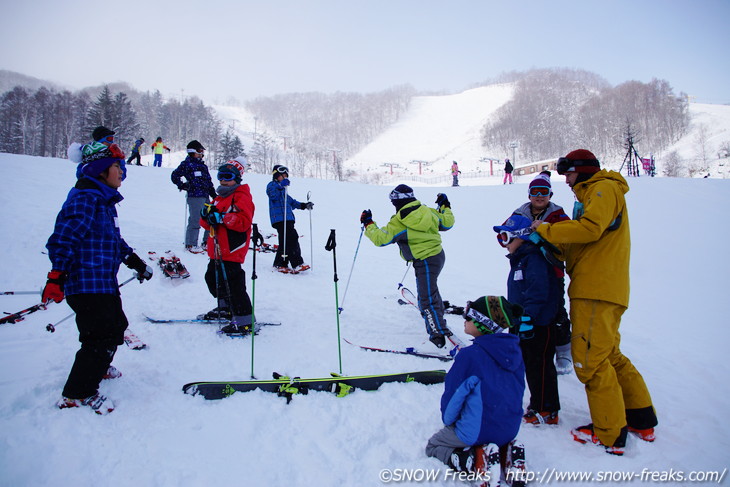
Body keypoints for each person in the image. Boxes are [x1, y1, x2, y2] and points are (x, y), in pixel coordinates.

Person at [532, 149, 658, 455]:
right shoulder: (596, 193)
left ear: (582, 170)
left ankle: (610, 434)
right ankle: (640, 419)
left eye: (569, 174)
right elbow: (588, 241)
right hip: (603, 288)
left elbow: (590, 229)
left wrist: (546, 228)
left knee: (589, 362)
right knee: (610, 355)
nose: (566, 180)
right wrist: (556, 248)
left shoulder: (602, 188)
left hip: (596, 290)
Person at [44, 142, 153, 415]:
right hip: (86, 283)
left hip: (103, 282)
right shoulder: (85, 199)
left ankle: (99, 369)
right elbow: (63, 239)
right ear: (100, 170)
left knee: (116, 327)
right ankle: (77, 393)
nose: (122, 172)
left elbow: (113, 240)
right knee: (99, 337)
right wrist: (56, 276)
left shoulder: (103, 201)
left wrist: (135, 261)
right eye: (117, 166)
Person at [425, 296, 526, 483]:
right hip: (510, 429)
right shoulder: (515, 353)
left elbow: (452, 401)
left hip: (478, 431)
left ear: (483, 324)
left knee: (433, 446)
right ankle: (508, 454)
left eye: (469, 317)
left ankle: (472, 461)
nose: (464, 319)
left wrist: (450, 422)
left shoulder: (470, 357)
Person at [360, 185, 455, 348]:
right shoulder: (427, 211)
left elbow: (381, 239)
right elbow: (447, 223)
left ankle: (438, 335)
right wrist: (444, 206)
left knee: (426, 299)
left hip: (424, 261)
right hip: (438, 256)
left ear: (397, 202)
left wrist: (368, 223)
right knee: (431, 291)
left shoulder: (400, 222)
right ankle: (438, 320)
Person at [493, 214, 563, 427]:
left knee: (539, 366)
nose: (503, 244)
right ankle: (537, 403)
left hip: (538, 325)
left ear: (521, 236)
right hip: (524, 323)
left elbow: (538, 292)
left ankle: (547, 409)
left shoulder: (533, 259)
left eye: (505, 238)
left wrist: (528, 318)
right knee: (529, 365)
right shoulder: (521, 259)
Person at [511, 171, 573, 375]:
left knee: (556, 310)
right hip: (525, 269)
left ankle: (563, 350)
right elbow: (504, 233)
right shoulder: (520, 213)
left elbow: (567, 237)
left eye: (544, 192)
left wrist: (545, 231)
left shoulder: (558, 215)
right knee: (523, 307)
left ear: (550, 195)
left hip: (552, 270)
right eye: (535, 192)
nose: (539, 196)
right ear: (529, 195)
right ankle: (526, 345)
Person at [199, 160, 256, 334]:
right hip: (217, 249)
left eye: (228, 177)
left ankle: (245, 320)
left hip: (231, 248)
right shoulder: (219, 197)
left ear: (237, 179)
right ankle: (226, 308)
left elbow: (244, 223)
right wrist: (206, 216)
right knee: (212, 279)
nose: (224, 180)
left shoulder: (241, 197)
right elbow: (208, 224)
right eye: (221, 176)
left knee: (234, 285)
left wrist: (222, 218)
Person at [171, 140, 216, 253]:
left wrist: (213, 194)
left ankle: (206, 242)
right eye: (200, 151)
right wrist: (182, 185)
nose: (201, 153)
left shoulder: (202, 166)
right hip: (195, 196)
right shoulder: (187, 164)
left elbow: (208, 181)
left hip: (205, 195)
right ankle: (191, 244)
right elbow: (174, 175)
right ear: (193, 151)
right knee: (196, 220)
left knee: (209, 219)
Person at [266, 165, 313, 273]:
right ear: (276, 175)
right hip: (279, 219)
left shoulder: (284, 192)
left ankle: (280, 264)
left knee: (285, 241)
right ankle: (297, 263)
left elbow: (292, 202)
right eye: (283, 176)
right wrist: (281, 186)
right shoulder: (272, 185)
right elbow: (273, 195)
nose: (285, 178)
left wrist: (304, 205)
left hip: (288, 218)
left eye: (286, 176)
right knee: (292, 237)